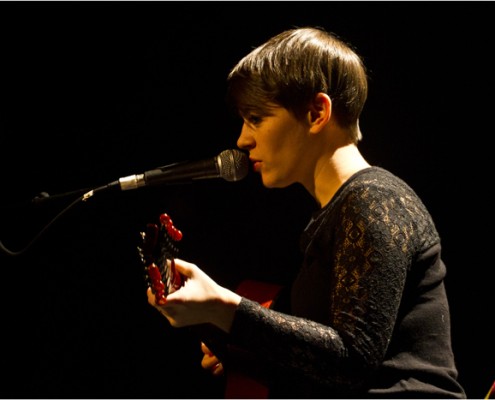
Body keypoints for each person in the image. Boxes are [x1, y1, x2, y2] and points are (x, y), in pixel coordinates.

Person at [146, 26, 467, 398]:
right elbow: (326, 364)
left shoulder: (376, 200)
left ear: (316, 113)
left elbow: (352, 360)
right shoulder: (336, 215)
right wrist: (236, 345)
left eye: (256, 118)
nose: (242, 139)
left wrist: (225, 308)